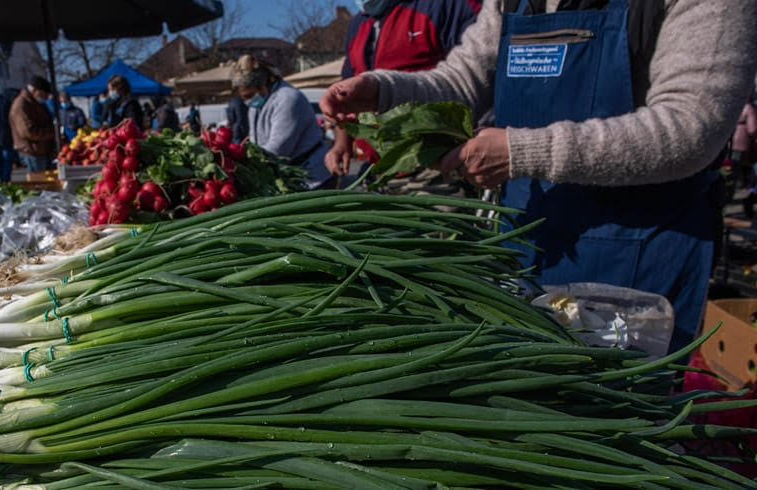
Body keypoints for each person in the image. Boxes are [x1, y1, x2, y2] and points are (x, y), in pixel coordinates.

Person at [320, 0, 757, 352]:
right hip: (524, 245)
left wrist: (520, 151)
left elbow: (690, 128)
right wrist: (382, 91)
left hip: (636, 264)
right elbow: (462, 79)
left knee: (615, 433)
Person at [326, 0, 481, 177]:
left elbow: (479, 77)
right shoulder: (358, 23)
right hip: (377, 167)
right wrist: (341, 143)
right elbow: (345, 94)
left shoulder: (446, 5)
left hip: (435, 168)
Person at [232, 54, 331, 189]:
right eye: (244, 97)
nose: (247, 101)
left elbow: (277, 149)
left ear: (262, 85)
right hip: (290, 176)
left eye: (249, 95)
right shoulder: (256, 106)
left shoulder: (288, 99)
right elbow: (256, 142)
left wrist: (241, 163)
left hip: (313, 174)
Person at [9, 75, 56, 172]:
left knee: (47, 182)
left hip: (41, 150)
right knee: (38, 183)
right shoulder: (21, 105)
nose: (46, 98)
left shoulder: (34, 103)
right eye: (44, 94)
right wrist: (51, 132)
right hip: (32, 151)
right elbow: (28, 132)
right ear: (35, 90)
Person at [731, 96, 757, 217]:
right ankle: (748, 194)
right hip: (744, 144)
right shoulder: (749, 108)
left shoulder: (735, 105)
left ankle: (732, 192)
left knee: (734, 170)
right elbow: (752, 129)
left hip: (732, 144)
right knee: (747, 172)